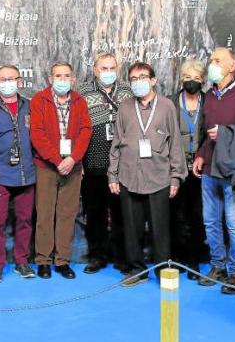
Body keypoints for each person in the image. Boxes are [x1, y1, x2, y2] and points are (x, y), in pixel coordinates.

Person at [108, 62, 186, 287]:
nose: (138, 82)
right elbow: (116, 143)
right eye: (133, 78)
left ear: (153, 80)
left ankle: (163, 270)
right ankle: (137, 270)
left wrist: (175, 177)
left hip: (158, 176)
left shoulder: (166, 107)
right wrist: (112, 175)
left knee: (160, 228)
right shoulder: (124, 107)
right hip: (129, 176)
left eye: (143, 77)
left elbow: (175, 144)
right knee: (131, 229)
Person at [192, 48, 235, 294]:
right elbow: (204, 131)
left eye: (217, 61)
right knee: (210, 221)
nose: (212, 65)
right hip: (209, 169)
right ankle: (218, 266)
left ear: (233, 66)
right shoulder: (208, 96)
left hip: (233, 170)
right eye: (211, 61)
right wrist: (200, 154)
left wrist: (226, 133)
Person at [30, 62, 92, 279]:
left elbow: (86, 130)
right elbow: (37, 134)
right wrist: (58, 160)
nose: (62, 79)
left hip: (73, 167)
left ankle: (62, 260)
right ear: (50, 78)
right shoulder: (39, 100)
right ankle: (43, 260)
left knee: (67, 214)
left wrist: (74, 158)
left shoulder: (79, 101)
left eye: (66, 76)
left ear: (73, 79)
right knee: (45, 214)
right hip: (47, 166)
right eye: (58, 75)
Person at [0, 65, 37, 283]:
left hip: (27, 176)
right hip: (0, 177)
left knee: (25, 221)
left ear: (19, 81)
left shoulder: (30, 107)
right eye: (2, 79)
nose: (7, 83)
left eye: (11, 79)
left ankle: (22, 262)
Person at [77, 52, 132, 274]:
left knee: (122, 213)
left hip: (123, 165)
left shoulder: (128, 91)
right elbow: (76, 128)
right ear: (95, 70)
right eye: (103, 68)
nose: (108, 72)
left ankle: (121, 256)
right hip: (93, 162)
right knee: (95, 213)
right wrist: (78, 160)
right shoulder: (82, 93)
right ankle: (97, 256)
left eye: (111, 68)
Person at [168, 59, 208, 280]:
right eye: (187, 78)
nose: (191, 82)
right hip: (176, 166)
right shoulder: (172, 102)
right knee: (176, 215)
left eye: (195, 78)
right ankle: (177, 258)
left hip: (201, 168)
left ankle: (194, 260)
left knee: (197, 215)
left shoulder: (209, 102)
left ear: (202, 80)